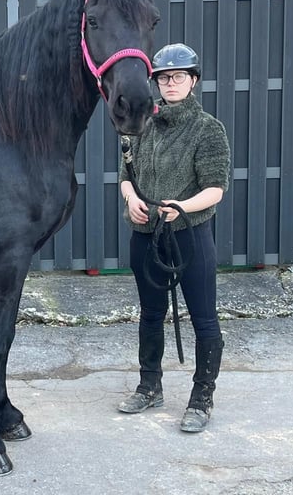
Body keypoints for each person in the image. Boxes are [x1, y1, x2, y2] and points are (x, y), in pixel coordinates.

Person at [117, 43, 231, 433]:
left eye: (178, 76)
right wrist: (131, 199)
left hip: (189, 236)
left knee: (204, 318)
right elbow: (126, 176)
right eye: (164, 77)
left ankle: (202, 397)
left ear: (193, 80)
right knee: (150, 314)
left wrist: (182, 206)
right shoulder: (142, 125)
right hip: (146, 235)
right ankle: (149, 385)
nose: (171, 83)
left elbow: (216, 188)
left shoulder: (208, 129)